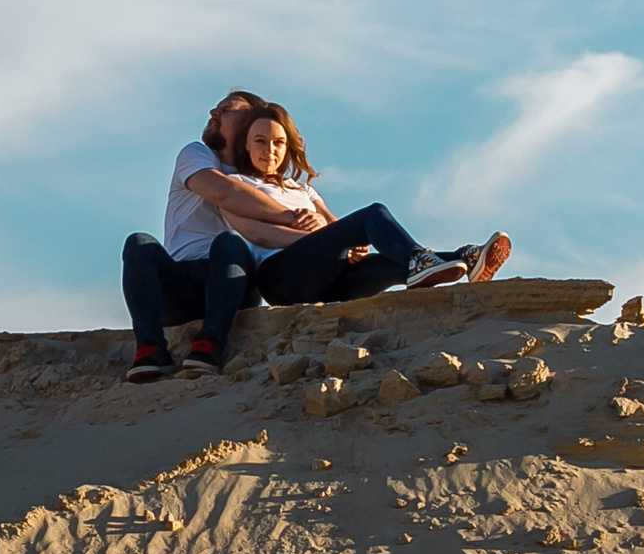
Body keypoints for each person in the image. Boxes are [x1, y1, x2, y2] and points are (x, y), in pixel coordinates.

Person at [216, 100, 512, 309]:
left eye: (278, 142)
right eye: (260, 141)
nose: (270, 150)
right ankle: (427, 259)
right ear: (246, 145)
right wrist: (319, 239)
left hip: (329, 285)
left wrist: (352, 248)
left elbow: (336, 227)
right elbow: (256, 234)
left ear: (288, 146)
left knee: (386, 263)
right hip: (281, 279)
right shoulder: (236, 185)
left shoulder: (303, 190)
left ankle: (462, 261)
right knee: (372, 213)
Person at [117, 90, 316, 383]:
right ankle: (150, 348)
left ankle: (210, 344)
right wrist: (289, 218)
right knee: (138, 244)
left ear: (249, 122)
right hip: (183, 281)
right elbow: (223, 191)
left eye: (226, 110)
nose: (213, 113)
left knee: (229, 240)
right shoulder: (198, 155)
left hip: (233, 279)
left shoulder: (265, 179)